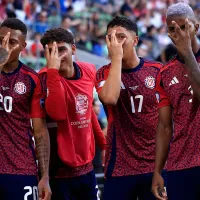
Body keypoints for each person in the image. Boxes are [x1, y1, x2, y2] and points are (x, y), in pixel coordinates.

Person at [95, 15, 165, 200]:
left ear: (135, 41)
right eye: (110, 37)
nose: (115, 43)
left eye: (120, 37)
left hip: (154, 166)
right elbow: (110, 98)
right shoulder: (103, 72)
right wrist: (117, 59)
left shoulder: (157, 70)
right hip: (119, 167)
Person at [39, 27, 107, 200]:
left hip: (87, 167)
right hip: (59, 172)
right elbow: (58, 113)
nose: (56, 56)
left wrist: (103, 145)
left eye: (61, 49)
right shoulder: (44, 77)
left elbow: (88, 111)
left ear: (74, 49)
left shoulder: (89, 70)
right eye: (51, 51)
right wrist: (52, 71)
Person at [152, 2, 200, 200]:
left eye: (183, 27)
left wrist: (188, 53)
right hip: (180, 164)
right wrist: (157, 170)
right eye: (172, 29)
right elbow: (164, 127)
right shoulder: (164, 73)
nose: (178, 33)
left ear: (196, 26)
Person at [0, 18, 51, 200]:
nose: (5, 46)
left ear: (23, 46)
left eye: (12, 42)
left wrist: (44, 176)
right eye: (1, 41)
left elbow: (39, 131)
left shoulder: (31, 79)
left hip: (21, 169)